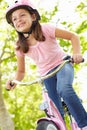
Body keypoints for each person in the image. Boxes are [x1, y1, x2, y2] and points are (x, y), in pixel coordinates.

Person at [5, 0, 87, 129]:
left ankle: (84, 124)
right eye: (14, 19)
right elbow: (21, 72)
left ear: (33, 16)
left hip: (62, 65)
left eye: (22, 15)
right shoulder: (19, 46)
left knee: (64, 89)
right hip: (46, 75)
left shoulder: (45, 29)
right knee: (54, 107)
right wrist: (15, 80)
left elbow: (73, 36)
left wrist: (77, 53)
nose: (18, 20)